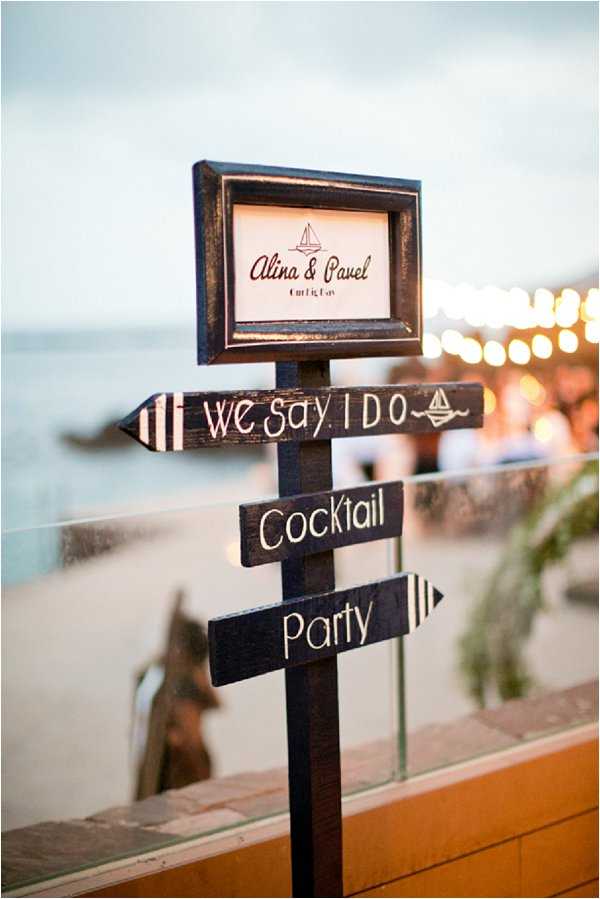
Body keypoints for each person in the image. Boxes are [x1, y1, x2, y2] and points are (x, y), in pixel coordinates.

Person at [132, 591, 220, 799]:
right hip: (172, 778)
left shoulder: (181, 683)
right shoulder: (163, 679)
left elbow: (212, 706)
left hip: (180, 777)